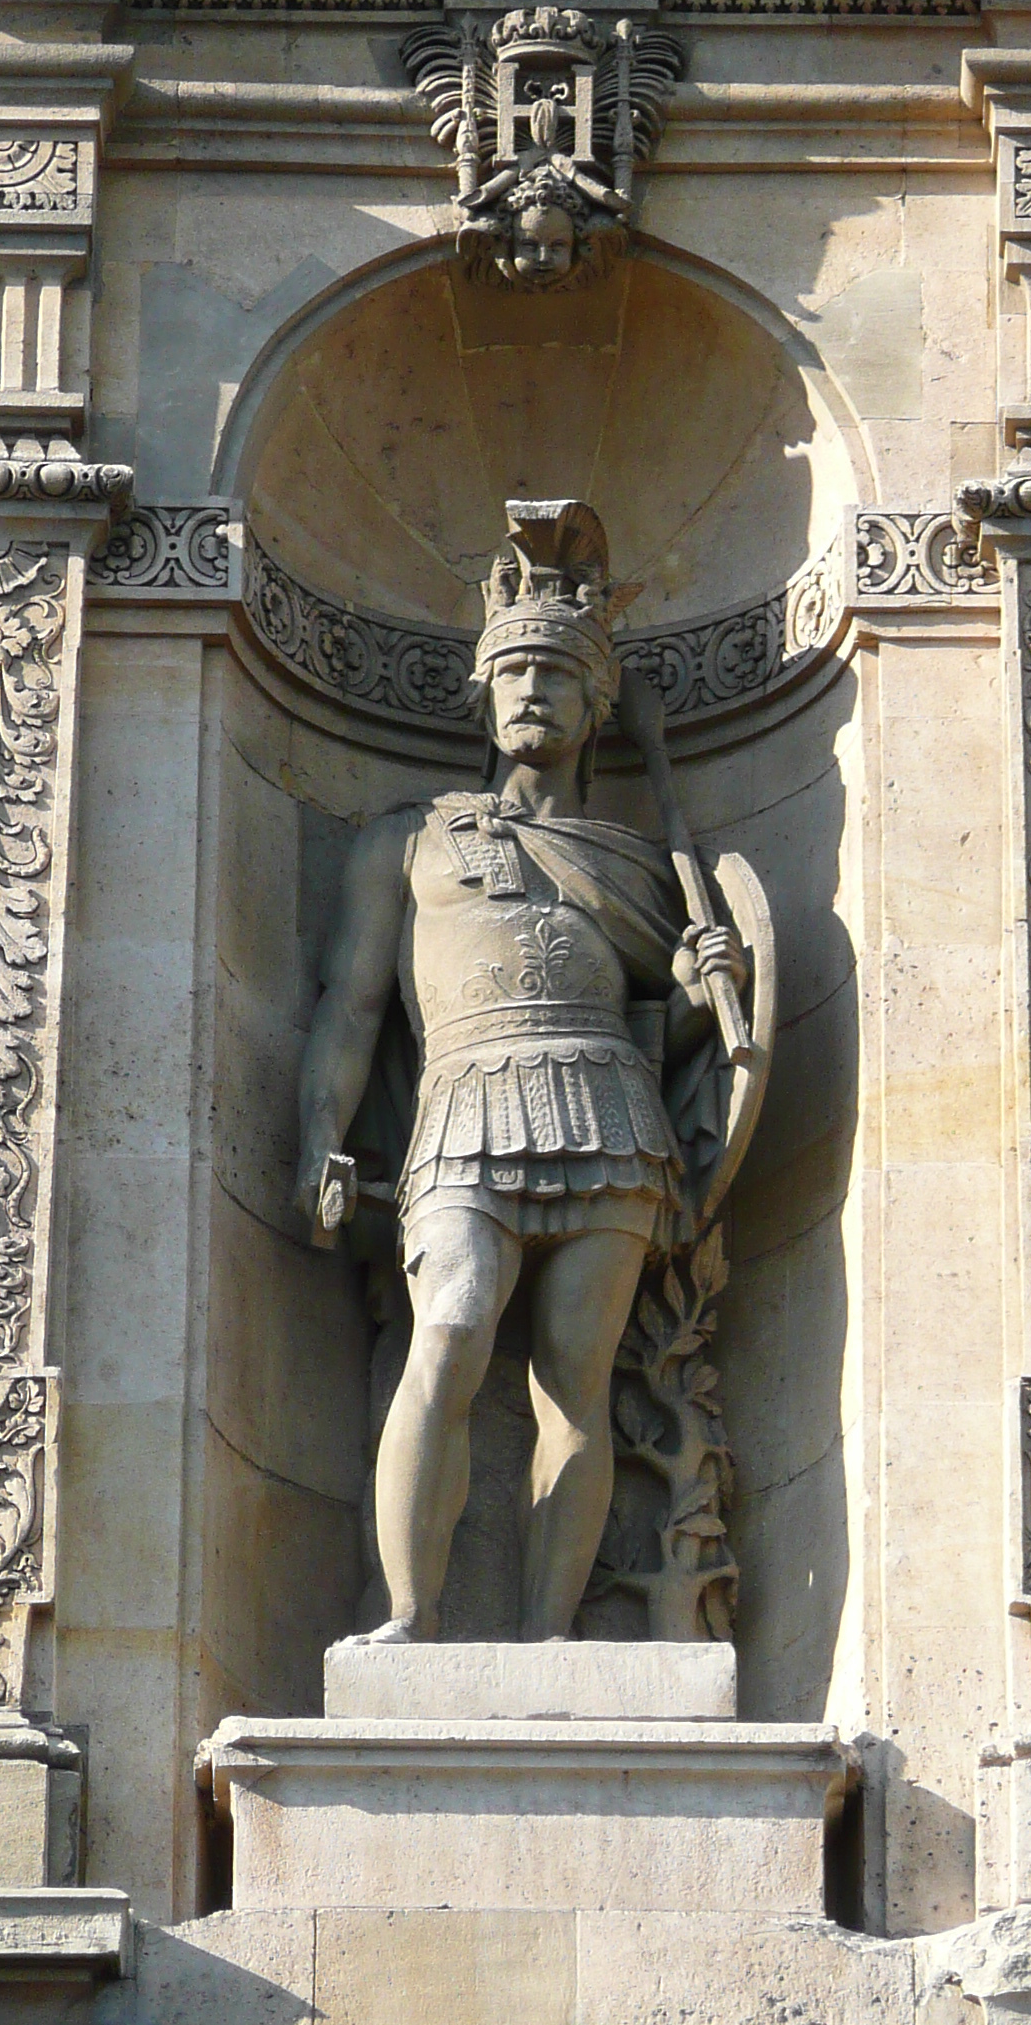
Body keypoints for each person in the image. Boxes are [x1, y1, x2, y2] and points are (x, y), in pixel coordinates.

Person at [294, 501, 746, 1641]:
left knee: (572, 1384)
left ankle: (551, 1639)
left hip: (606, 1104)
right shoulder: (410, 837)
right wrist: (320, 1135)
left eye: (555, 673)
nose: (531, 691)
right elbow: (353, 1008)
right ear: (482, 696)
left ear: (599, 704)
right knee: (448, 1324)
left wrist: (705, 983)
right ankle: (407, 1613)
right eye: (513, 672)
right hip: (461, 1106)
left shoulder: (640, 866)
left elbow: (682, 1031)